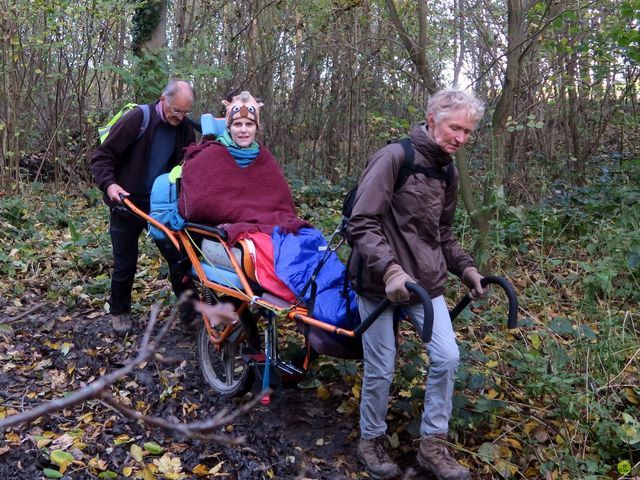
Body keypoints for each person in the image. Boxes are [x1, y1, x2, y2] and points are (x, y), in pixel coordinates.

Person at [347, 88, 487, 480]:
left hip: (425, 283)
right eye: (454, 127)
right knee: (381, 363)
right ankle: (370, 440)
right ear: (432, 120)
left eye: (468, 131)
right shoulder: (395, 157)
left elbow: (442, 232)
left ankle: (432, 446)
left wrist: (467, 269)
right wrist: (390, 270)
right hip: (379, 282)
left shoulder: (448, 170)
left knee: (447, 357)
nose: (460, 138)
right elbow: (362, 221)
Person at [90, 79, 196, 335]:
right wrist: (110, 186)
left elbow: (190, 165)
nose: (180, 117)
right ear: (163, 100)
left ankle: (190, 314)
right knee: (125, 261)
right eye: (176, 110)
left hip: (161, 204)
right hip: (126, 201)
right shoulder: (138, 118)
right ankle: (120, 312)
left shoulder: (184, 129)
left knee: (179, 256)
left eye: (185, 112)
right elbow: (101, 157)